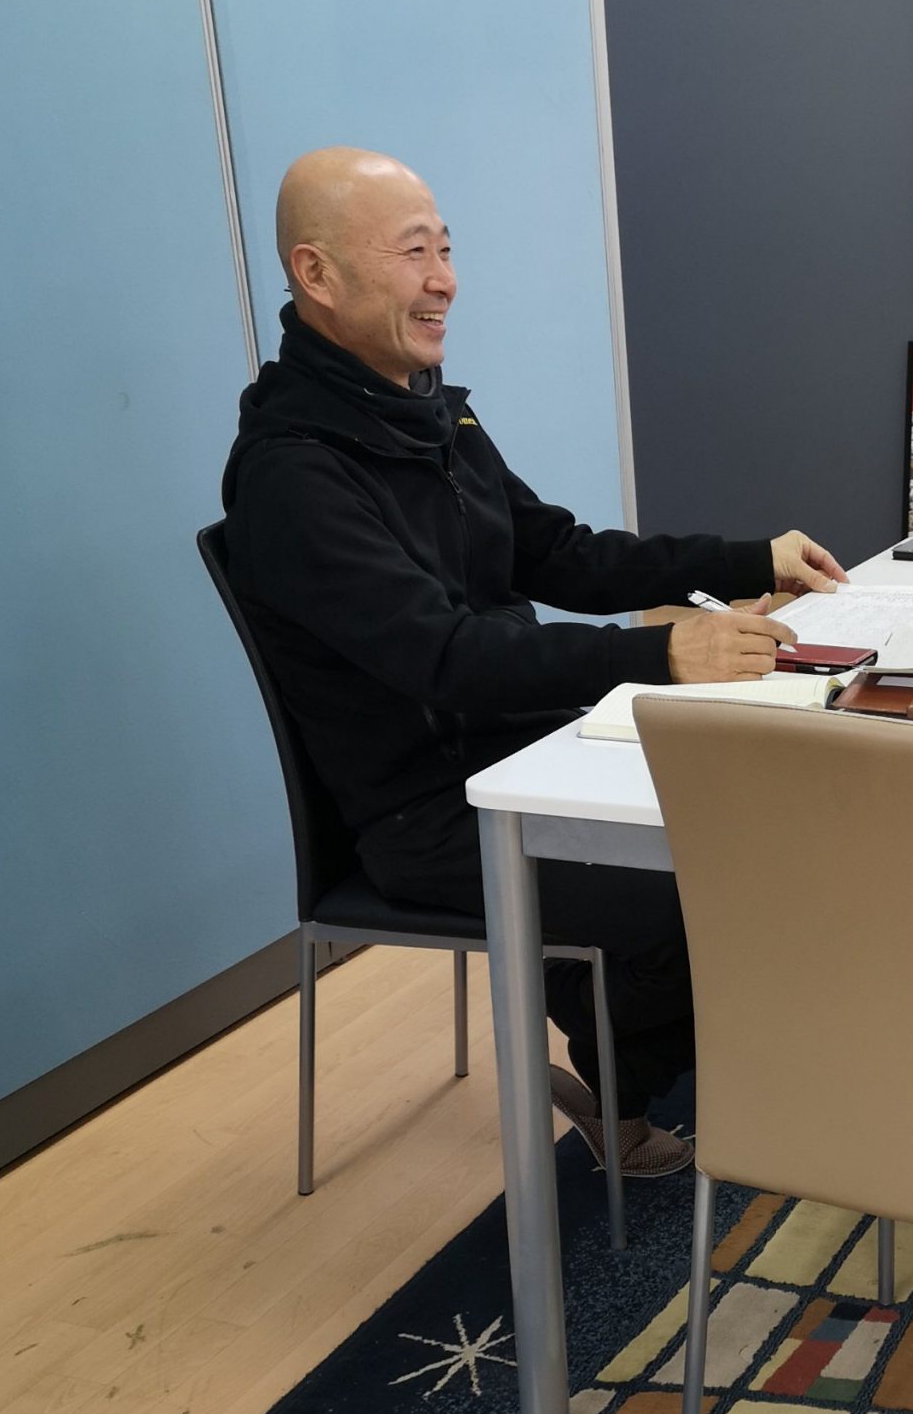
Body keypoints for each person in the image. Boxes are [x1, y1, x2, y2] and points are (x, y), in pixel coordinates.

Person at [225, 148, 848, 1176]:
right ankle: (620, 1076)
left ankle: (634, 1034)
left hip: (531, 748)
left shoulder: (429, 408)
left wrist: (746, 558)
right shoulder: (293, 475)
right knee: (706, 882)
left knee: (759, 805)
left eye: (447, 250)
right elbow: (447, 658)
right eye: (414, 253)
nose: (444, 281)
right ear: (317, 274)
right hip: (432, 811)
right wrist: (661, 652)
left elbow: (557, 551)